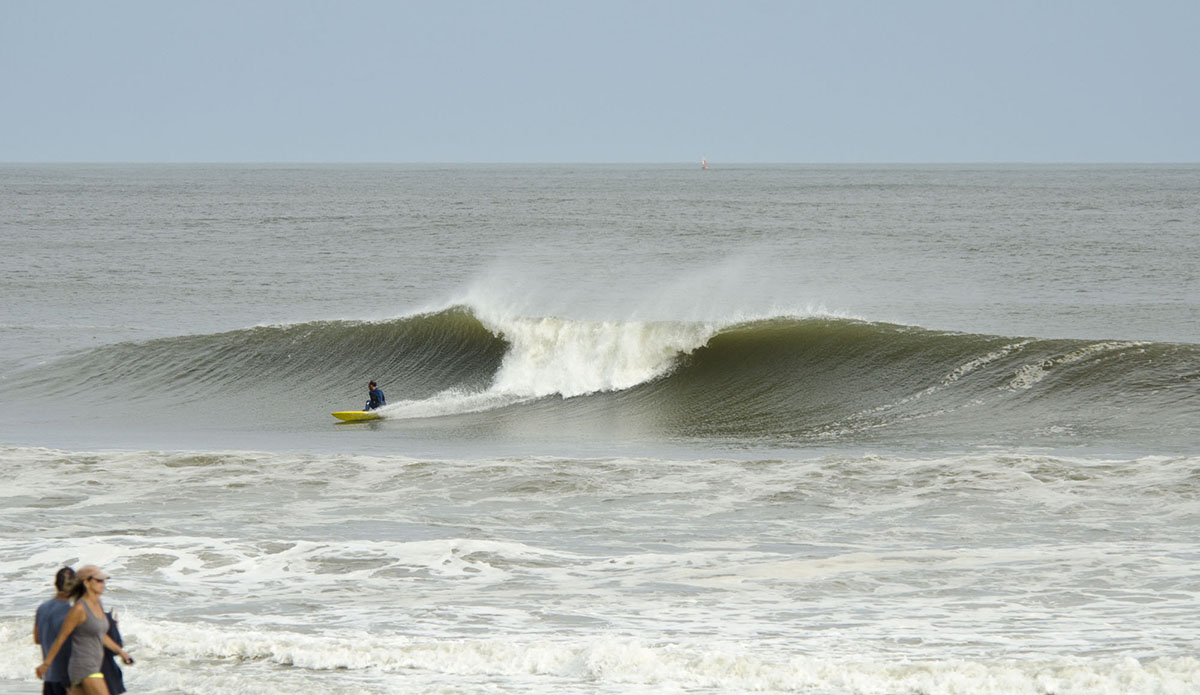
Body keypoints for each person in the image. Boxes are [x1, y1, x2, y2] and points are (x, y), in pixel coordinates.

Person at [36, 565, 133, 695]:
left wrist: (121, 652)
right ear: (86, 583)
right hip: (85, 668)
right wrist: (46, 665)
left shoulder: (97, 605)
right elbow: (61, 638)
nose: (103, 584)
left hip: (91, 667)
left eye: (103, 581)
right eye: (99, 580)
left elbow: (101, 635)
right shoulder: (79, 609)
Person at [34, 567, 76, 695]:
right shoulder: (72, 612)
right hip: (67, 678)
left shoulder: (42, 608)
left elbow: (37, 639)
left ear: (55, 584)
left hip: (49, 678)